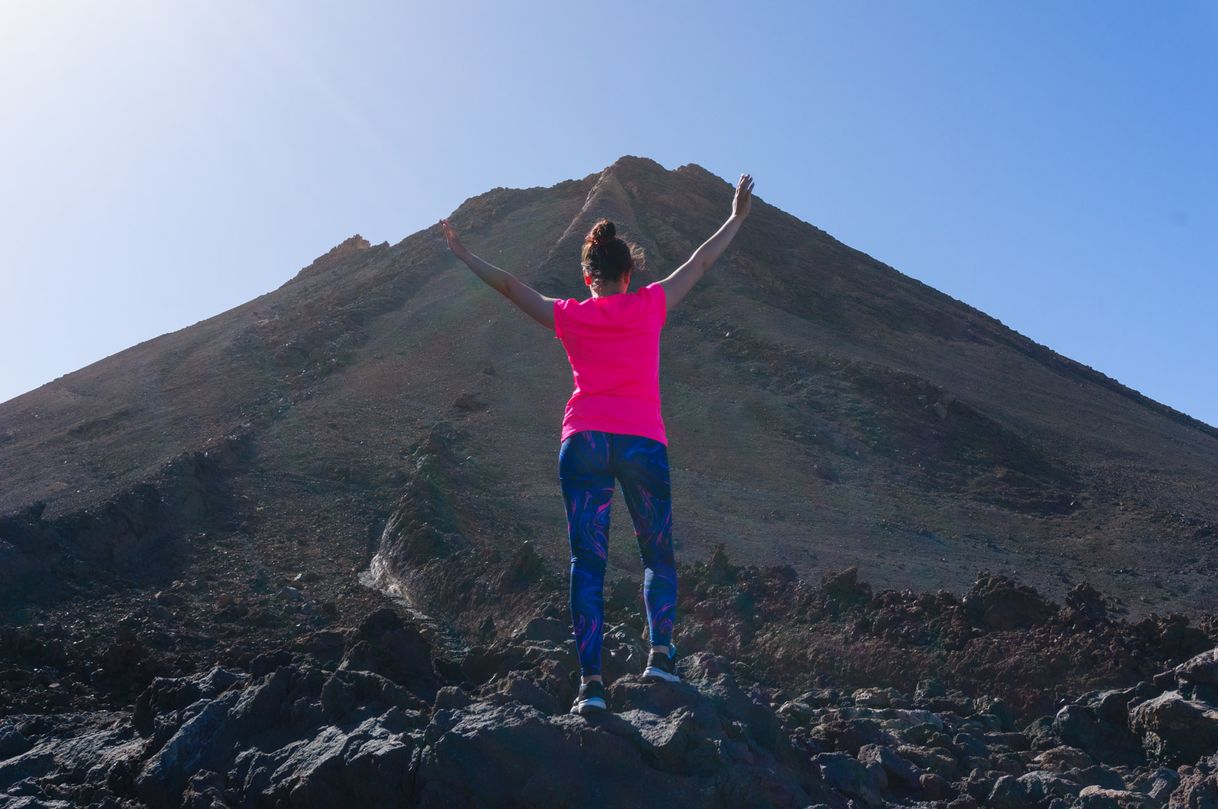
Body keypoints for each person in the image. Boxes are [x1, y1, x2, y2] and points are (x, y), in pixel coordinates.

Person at [440, 171, 755, 716]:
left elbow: (515, 289)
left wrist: (467, 256)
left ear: (589, 278)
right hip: (641, 443)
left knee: (588, 562)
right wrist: (735, 217)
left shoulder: (569, 315)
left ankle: (590, 687)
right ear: (628, 275)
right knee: (656, 552)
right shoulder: (651, 304)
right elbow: (700, 262)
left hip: (584, 439)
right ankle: (660, 656)